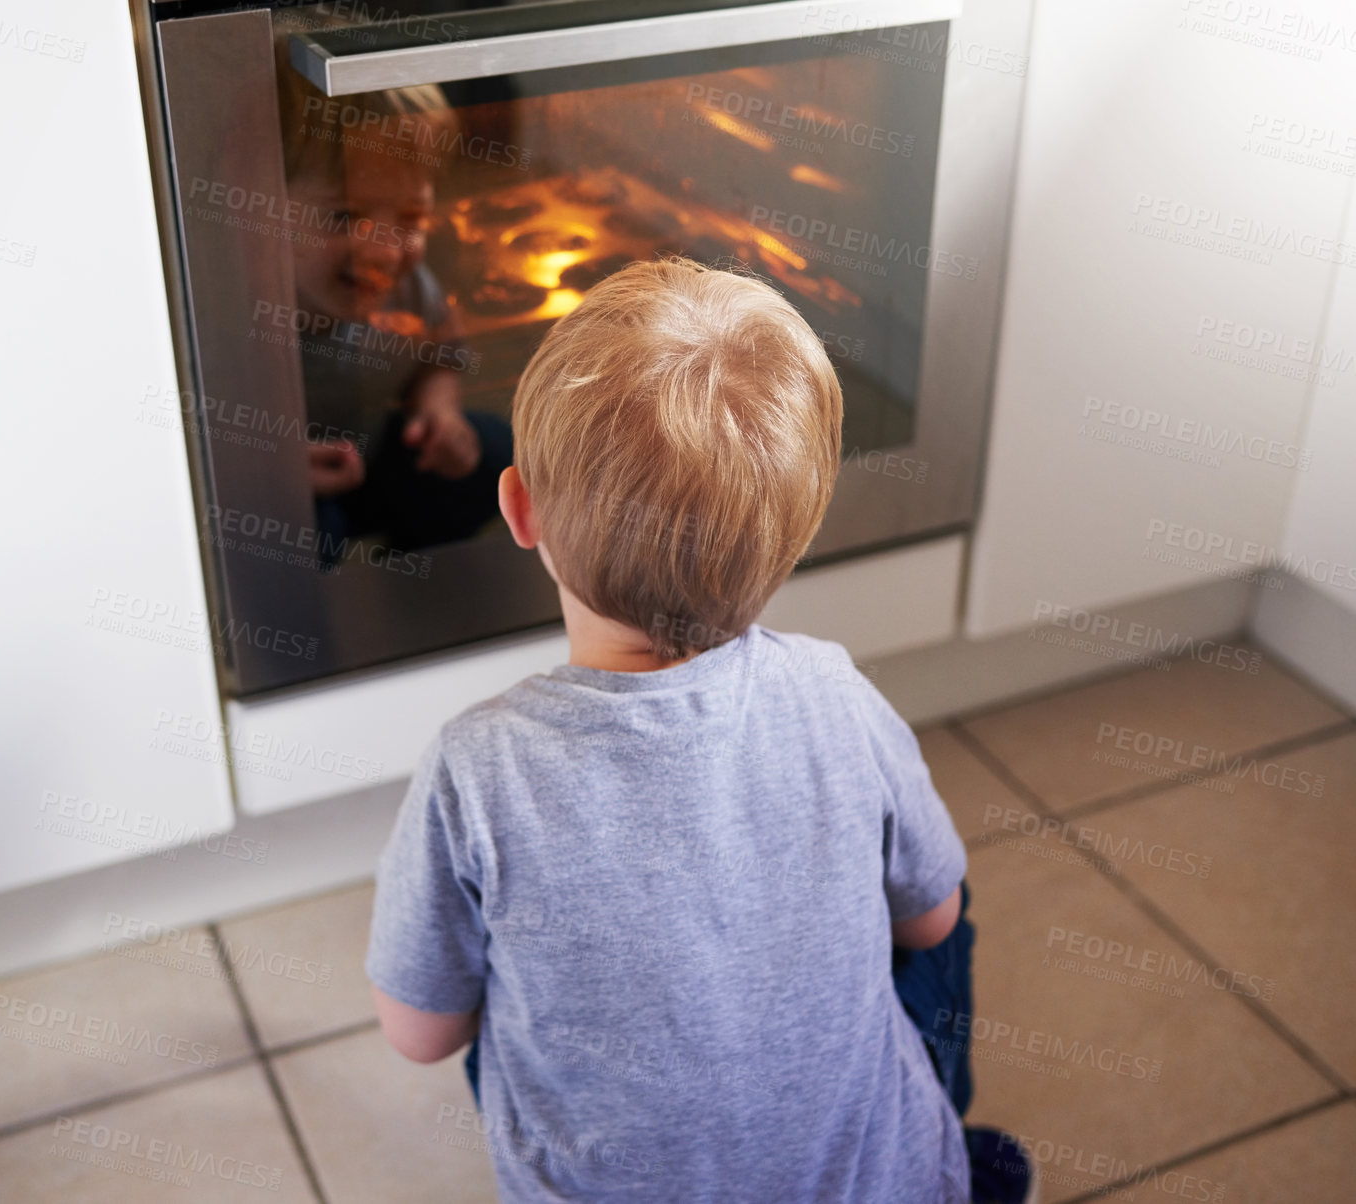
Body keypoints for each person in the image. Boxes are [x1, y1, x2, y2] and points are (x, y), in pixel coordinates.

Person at [364, 257, 1036, 1203]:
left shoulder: (476, 768)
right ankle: (947, 1165)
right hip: (876, 1187)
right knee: (940, 924)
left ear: (518, 509)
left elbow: (420, 1031)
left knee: (503, 1024)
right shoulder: (831, 689)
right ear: (793, 538)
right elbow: (928, 915)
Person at [278, 73, 513, 555]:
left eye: (410, 219)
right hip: (298, 483)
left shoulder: (405, 284)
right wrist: (273, 467)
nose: (384, 253)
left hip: (385, 451)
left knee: (498, 452)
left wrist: (439, 411)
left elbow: (439, 353)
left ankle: (415, 563)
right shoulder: (242, 307)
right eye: (344, 217)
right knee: (305, 532)